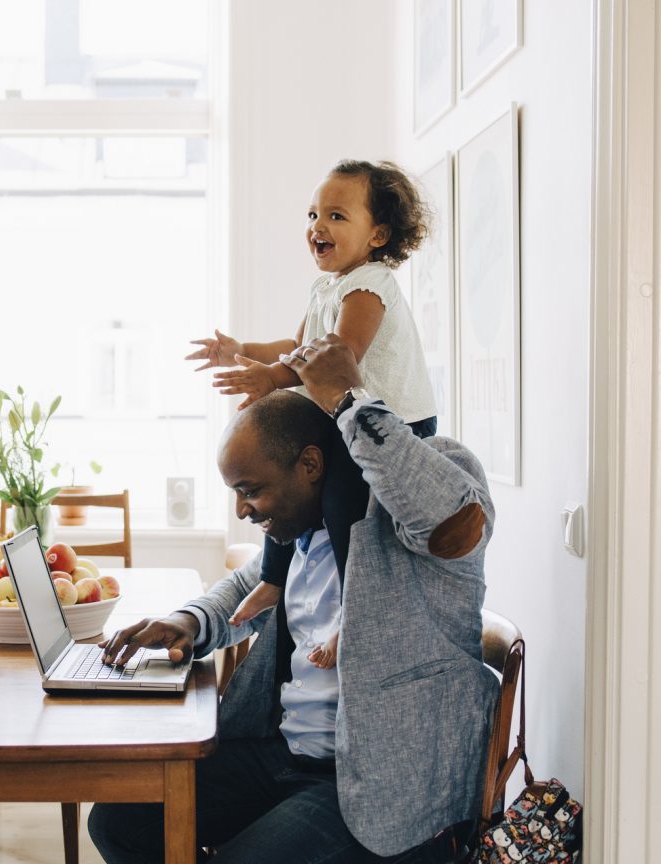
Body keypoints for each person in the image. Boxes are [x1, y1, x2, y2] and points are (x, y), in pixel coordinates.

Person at [90, 334, 498, 863]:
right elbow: (246, 586)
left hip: (379, 786)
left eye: (250, 490)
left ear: (309, 466)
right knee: (120, 821)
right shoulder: (304, 529)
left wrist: (348, 399)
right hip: (282, 756)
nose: (243, 511)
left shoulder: (422, 481)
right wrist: (189, 621)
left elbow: (456, 522)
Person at [187, 159, 440, 666]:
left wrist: (274, 378)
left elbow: (337, 358)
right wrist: (244, 350)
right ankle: (273, 581)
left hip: (390, 423)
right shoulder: (325, 287)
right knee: (292, 488)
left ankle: (354, 614)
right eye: (312, 214)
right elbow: (298, 345)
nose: (317, 227)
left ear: (379, 234)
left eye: (336, 216)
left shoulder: (371, 285)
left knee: (343, 504)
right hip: (341, 414)